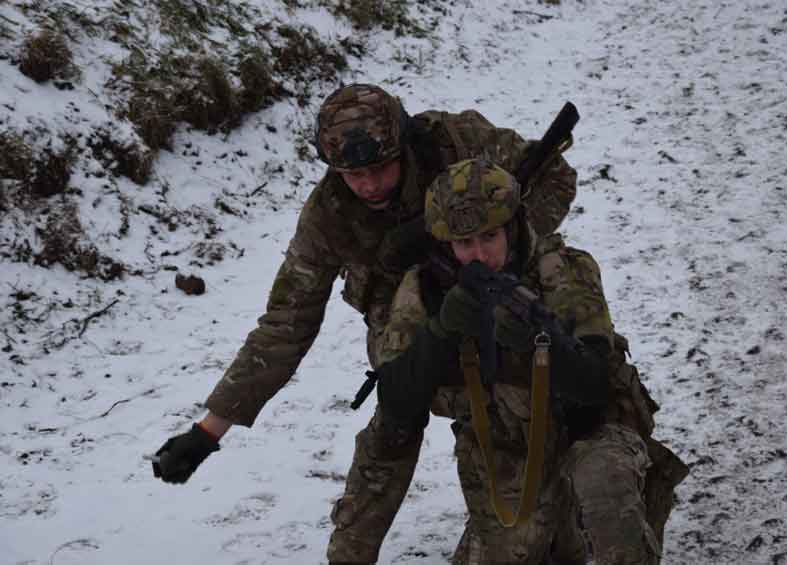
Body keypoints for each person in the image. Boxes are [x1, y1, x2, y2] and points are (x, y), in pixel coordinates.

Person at [149, 84, 579, 559]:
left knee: (516, 397)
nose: (368, 184)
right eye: (353, 174)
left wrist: (498, 245)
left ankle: (525, 512)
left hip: (500, 287)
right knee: (397, 411)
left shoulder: (456, 142)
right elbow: (286, 322)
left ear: (404, 145)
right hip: (402, 308)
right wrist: (208, 432)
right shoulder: (329, 215)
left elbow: (555, 176)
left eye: (379, 167)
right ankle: (349, 552)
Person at [372, 158, 688, 564]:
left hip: (590, 437)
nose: (479, 255)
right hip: (506, 457)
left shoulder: (563, 269)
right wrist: (442, 332)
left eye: (490, 236)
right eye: (464, 243)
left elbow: (595, 388)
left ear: (514, 226)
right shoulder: (425, 288)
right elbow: (395, 399)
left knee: (606, 491)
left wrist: (545, 344)